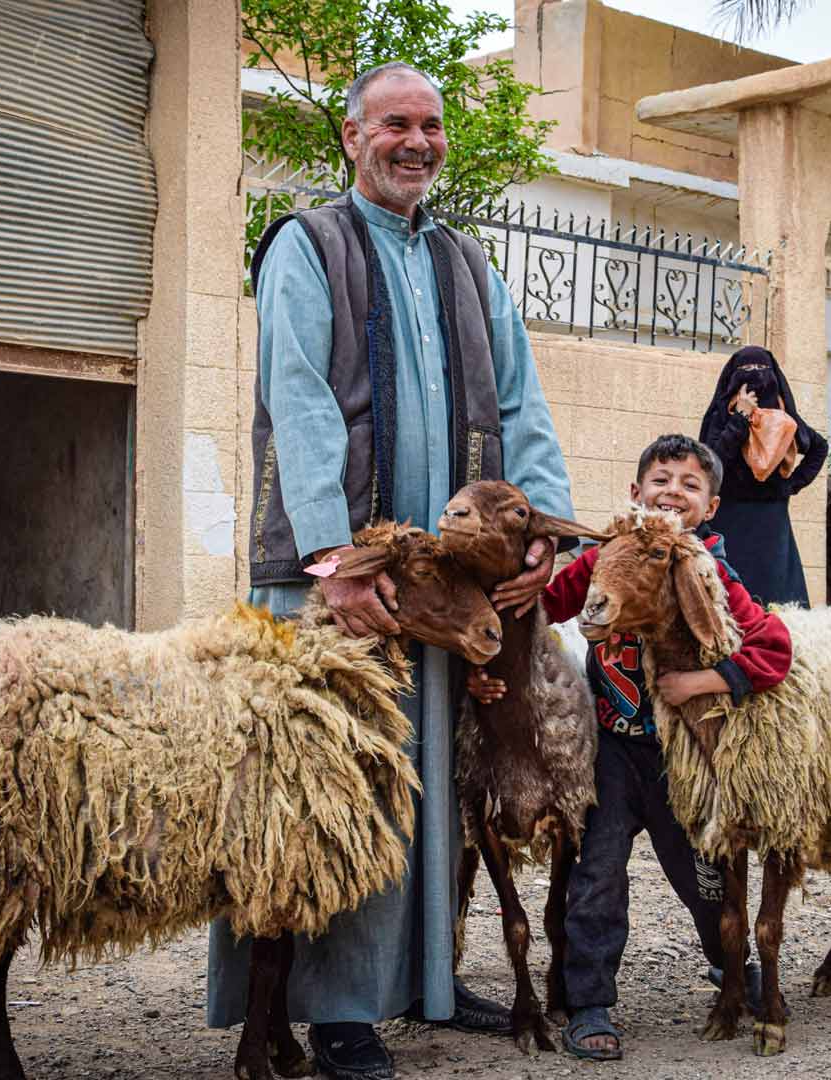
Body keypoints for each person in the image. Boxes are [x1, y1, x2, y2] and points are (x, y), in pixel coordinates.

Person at [206, 61, 575, 1080]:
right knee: (332, 792)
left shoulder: (468, 266)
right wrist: (338, 561)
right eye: (395, 125)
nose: (417, 142)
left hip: (445, 596)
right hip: (344, 591)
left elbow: (522, 404)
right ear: (350, 136)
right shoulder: (307, 246)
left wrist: (539, 533)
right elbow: (301, 401)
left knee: (433, 783)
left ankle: (426, 988)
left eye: (431, 126)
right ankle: (332, 1014)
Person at [469, 434, 793, 1060]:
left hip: (680, 759)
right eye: (661, 478)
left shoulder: (710, 569)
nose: (673, 491)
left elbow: (774, 648)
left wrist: (701, 681)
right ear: (634, 492)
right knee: (597, 875)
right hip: (609, 751)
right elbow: (538, 609)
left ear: (712, 506)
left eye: (690, 484)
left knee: (704, 876)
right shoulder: (604, 558)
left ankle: (732, 966)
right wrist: (488, 657)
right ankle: (590, 1001)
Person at [698, 345, 828, 607]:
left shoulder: (784, 417)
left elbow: (819, 447)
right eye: (745, 369)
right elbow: (712, 461)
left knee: (776, 596)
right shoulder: (722, 415)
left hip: (771, 519)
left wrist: (792, 485)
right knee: (729, 595)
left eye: (761, 368)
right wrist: (741, 417)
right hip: (729, 515)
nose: (754, 375)